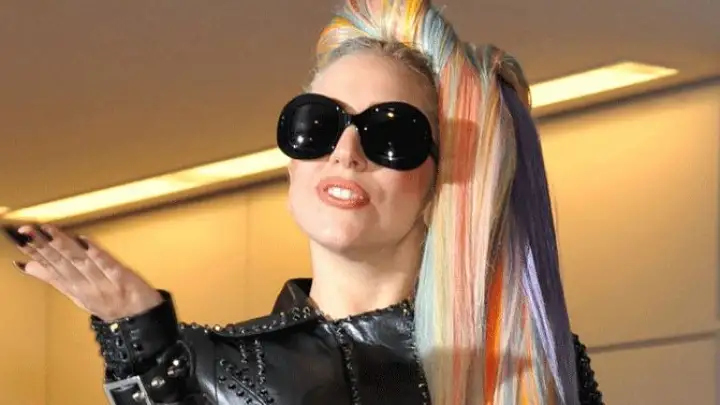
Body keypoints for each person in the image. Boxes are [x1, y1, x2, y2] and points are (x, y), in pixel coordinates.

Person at [2, 0, 604, 404]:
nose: (345, 152)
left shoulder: (529, 358)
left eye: (390, 134)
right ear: (291, 163)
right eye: (316, 125)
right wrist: (148, 354)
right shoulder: (207, 367)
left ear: (440, 176)